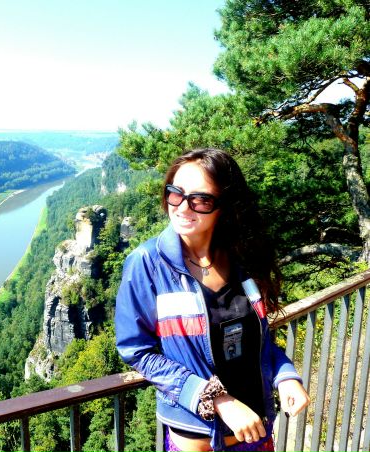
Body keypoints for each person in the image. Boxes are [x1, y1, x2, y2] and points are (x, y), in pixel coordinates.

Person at [115, 148, 309, 452]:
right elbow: (137, 351)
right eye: (175, 194)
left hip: (257, 435)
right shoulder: (147, 263)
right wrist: (217, 399)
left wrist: (285, 376)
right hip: (197, 442)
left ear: (225, 206)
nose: (182, 207)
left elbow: (257, 341)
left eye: (201, 200)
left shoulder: (242, 259)